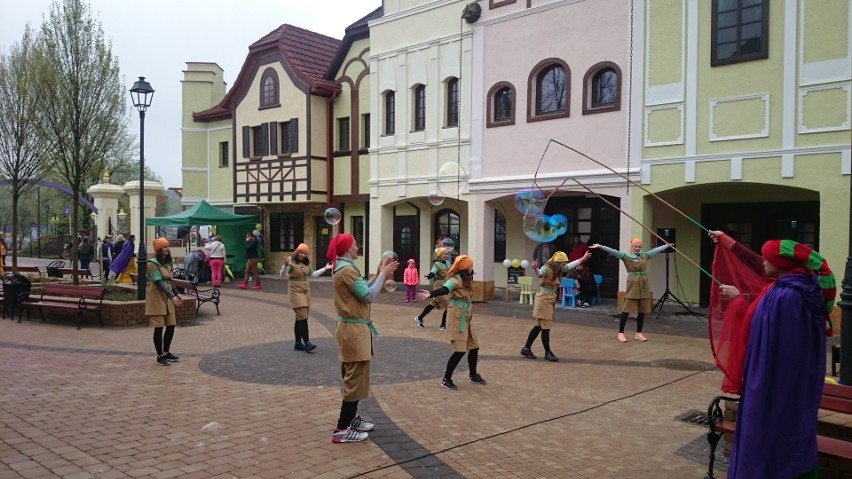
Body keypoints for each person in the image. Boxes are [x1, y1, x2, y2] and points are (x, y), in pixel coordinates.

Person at [708, 232, 835, 478]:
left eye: (768, 258)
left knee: (771, 437)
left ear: (781, 264)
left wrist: (737, 302)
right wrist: (728, 241)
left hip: (775, 384)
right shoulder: (799, 286)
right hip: (792, 383)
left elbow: (759, 327)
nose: (763, 262)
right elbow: (760, 273)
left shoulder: (786, 296)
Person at [327, 233, 398, 443]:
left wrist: (378, 273)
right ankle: (342, 428)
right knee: (355, 377)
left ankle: (352, 419)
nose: (358, 247)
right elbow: (368, 296)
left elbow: (362, 288)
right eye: (356, 245)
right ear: (348, 249)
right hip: (353, 330)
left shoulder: (345, 268)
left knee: (357, 375)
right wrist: (383, 275)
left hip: (354, 329)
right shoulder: (346, 269)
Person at [417, 255, 486, 390]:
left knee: (474, 346)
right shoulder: (455, 280)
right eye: (470, 266)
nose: (472, 268)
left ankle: (473, 374)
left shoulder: (467, 279)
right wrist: (430, 294)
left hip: (466, 316)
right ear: (466, 268)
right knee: (459, 351)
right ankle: (446, 379)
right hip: (457, 317)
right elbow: (445, 289)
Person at [590, 238, 669, 342]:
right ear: (632, 247)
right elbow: (614, 251)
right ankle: (621, 333)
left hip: (644, 284)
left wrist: (667, 246)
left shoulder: (645, 255)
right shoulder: (626, 256)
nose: (637, 248)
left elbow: (656, 250)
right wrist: (600, 246)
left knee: (642, 310)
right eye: (635, 246)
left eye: (639, 247)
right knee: (626, 309)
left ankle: (639, 333)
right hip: (633, 283)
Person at [521, 250, 591, 361]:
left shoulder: (559, 268)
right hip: (544, 298)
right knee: (546, 327)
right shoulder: (547, 268)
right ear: (557, 262)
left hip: (549, 297)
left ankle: (526, 348)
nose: (563, 266)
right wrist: (534, 268)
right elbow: (539, 273)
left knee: (539, 326)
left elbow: (570, 265)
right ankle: (547, 353)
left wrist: (583, 258)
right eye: (562, 264)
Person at [283, 243, 331, 352]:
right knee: (303, 317)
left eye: (305, 253)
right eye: (301, 252)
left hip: (305, 291)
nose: (303, 255)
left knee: (300, 317)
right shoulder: (290, 261)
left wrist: (325, 268)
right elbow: (283, 275)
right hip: (295, 291)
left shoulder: (305, 263)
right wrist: (285, 266)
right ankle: (307, 342)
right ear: (297, 251)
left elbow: (313, 274)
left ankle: (298, 343)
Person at [146, 238, 184, 366]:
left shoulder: (167, 262)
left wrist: (177, 294)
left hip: (168, 296)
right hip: (157, 296)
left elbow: (169, 280)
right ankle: (160, 355)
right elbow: (158, 282)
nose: (167, 248)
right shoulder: (152, 263)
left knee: (171, 324)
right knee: (158, 326)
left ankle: (166, 352)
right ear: (158, 249)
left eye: (167, 246)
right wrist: (171, 296)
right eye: (164, 247)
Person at [413, 247, 450, 330]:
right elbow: (433, 272)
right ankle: (442, 325)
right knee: (450, 306)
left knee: (434, 304)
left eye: (447, 254)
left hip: (446, 286)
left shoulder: (448, 263)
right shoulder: (437, 264)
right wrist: (429, 276)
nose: (446, 255)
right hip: (439, 287)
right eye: (444, 254)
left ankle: (419, 318)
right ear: (439, 255)